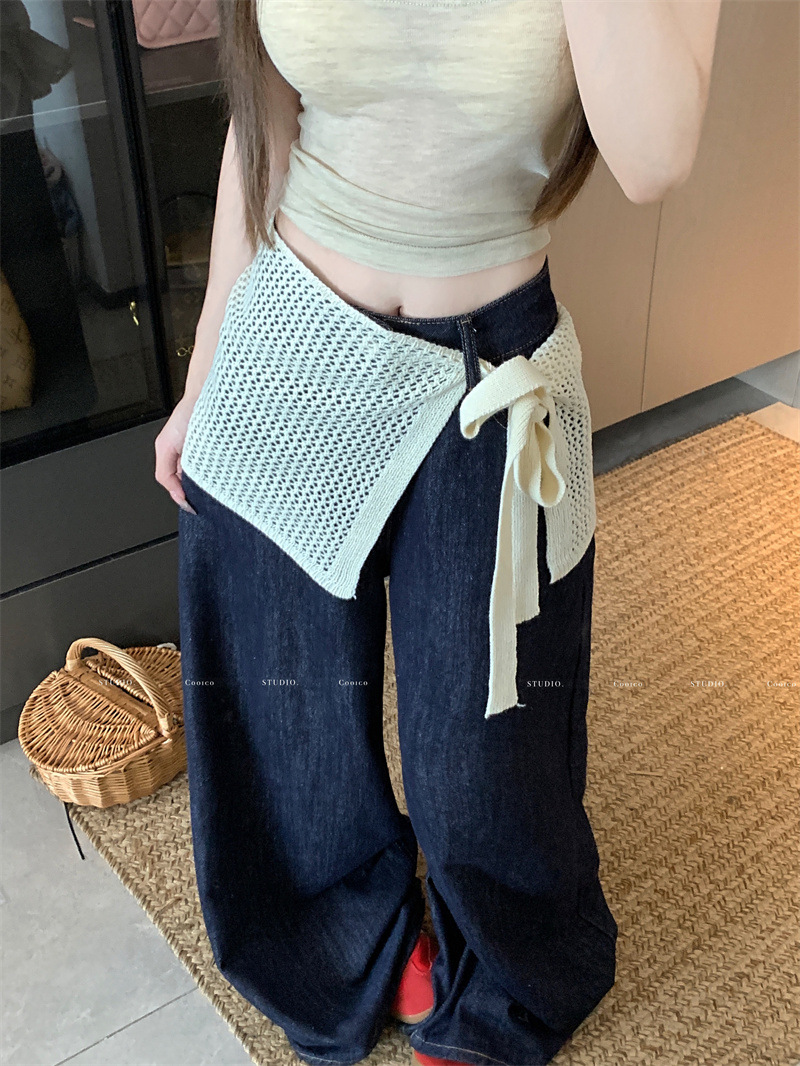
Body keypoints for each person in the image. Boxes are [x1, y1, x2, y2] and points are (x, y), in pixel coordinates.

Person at [155, 3, 721, 1064]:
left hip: (488, 369)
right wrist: (208, 371)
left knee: (487, 757)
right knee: (290, 717)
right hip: (293, 336)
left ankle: (508, 977)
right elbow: (262, 121)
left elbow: (651, 158)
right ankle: (343, 938)